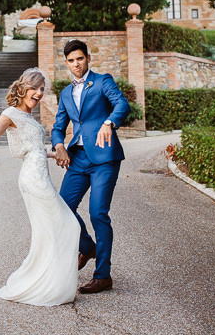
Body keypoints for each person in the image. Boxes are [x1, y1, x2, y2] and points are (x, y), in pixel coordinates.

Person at [0, 68, 80, 306]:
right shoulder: (11, 113)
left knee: (52, 230)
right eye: (35, 88)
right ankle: (46, 285)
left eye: (42, 89)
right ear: (23, 88)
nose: (39, 93)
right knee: (68, 225)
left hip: (39, 175)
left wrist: (58, 155)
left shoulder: (29, 117)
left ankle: (51, 284)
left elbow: (36, 149)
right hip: (33, 179)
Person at [51, 39, 130, 295]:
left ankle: (103, 275)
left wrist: (109, 122)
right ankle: (87, 246)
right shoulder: (65, 93)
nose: (76, 64)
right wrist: (59, 145)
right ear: (66, 63)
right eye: (71, 61)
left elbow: (122, 104)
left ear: (88, 58)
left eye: (80, 59)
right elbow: (58, 126)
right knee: (61, 207)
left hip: (105, 158)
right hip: (78, 158)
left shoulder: (102, 81)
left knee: (98, 214)